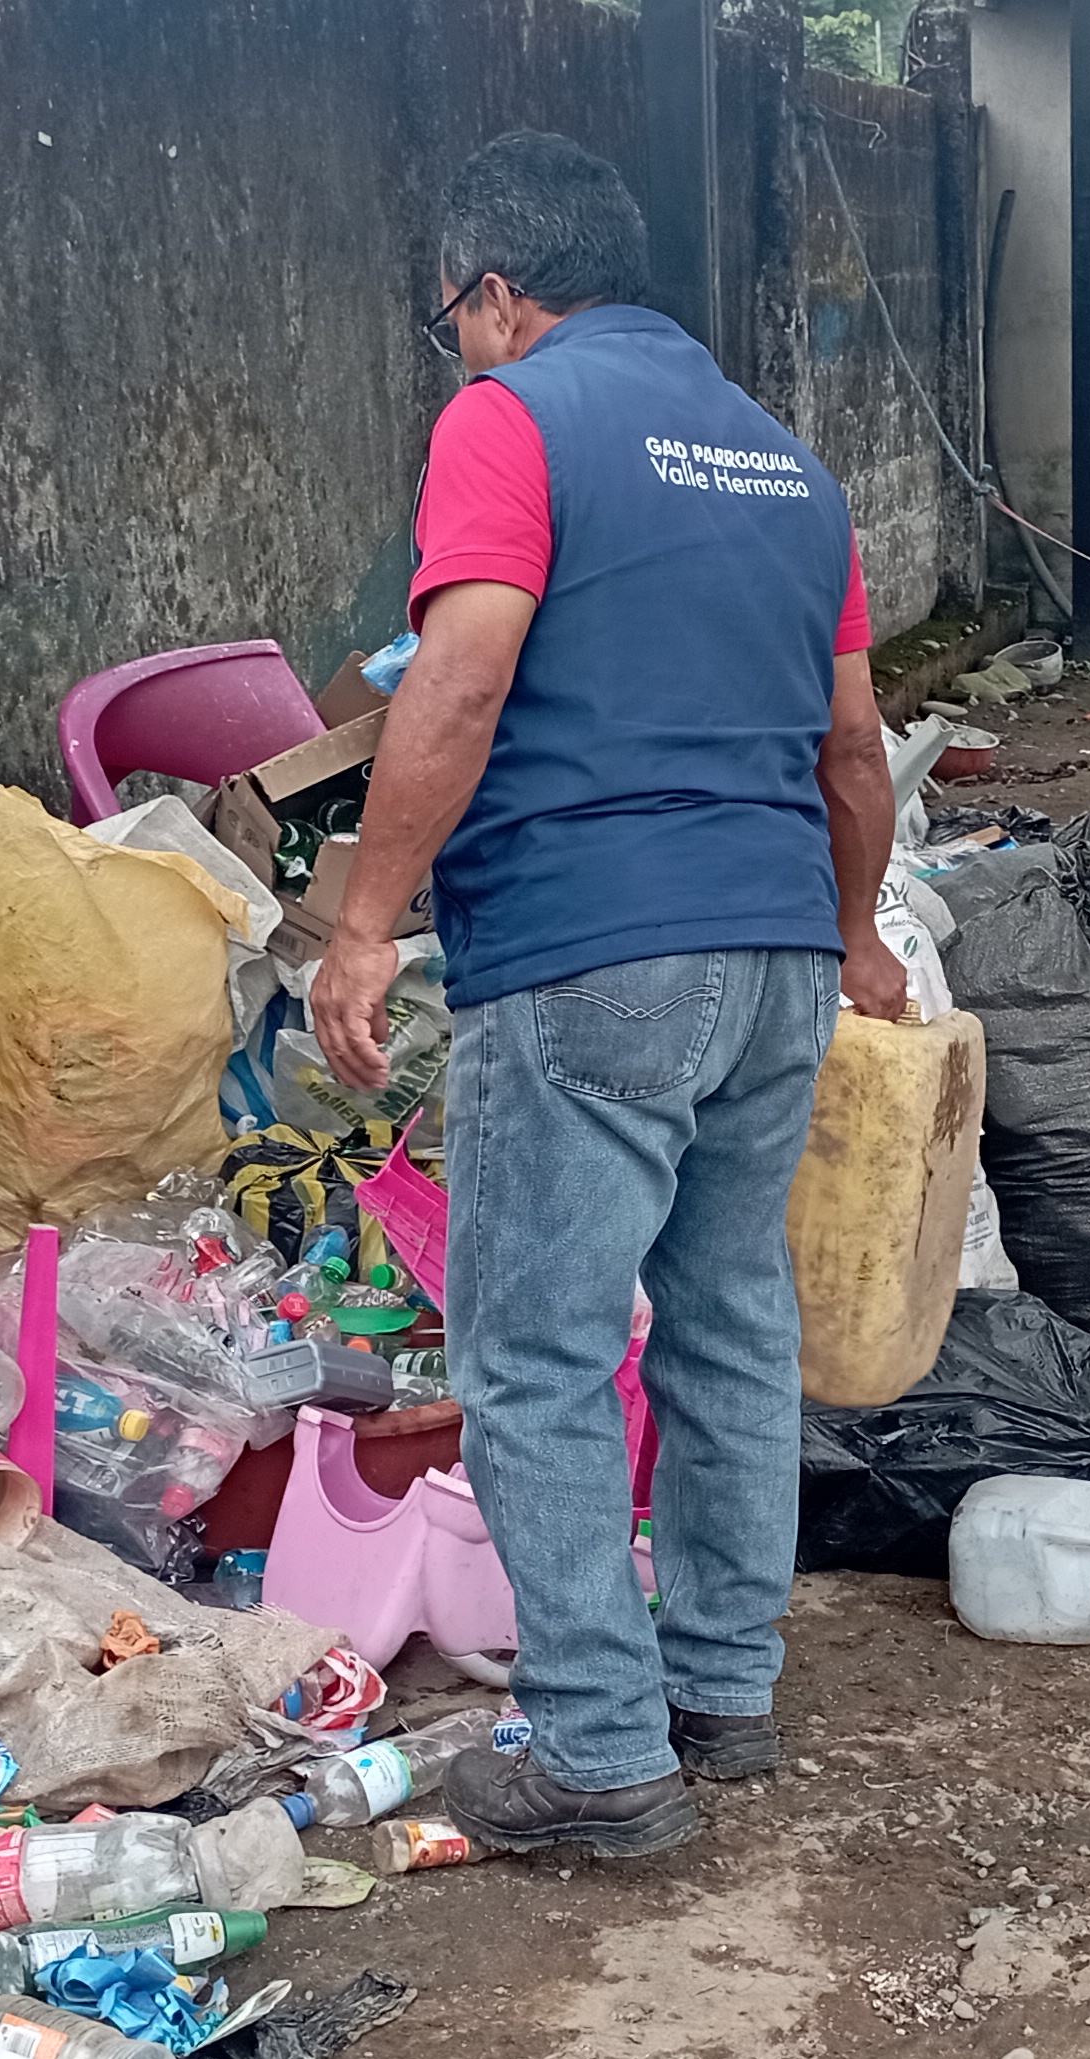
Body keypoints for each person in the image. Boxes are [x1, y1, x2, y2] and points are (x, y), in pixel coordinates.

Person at [319, 130, 911, 1857]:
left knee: (537, 1353)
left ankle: (596, 1754)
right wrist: (858, 933)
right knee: (730, 1324)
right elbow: (854, 746)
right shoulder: (791, 469)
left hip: (592, 950)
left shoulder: (510, 421)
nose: (459, 348)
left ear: (498, 293)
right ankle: (721, 1689)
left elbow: (458, 682)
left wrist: (364, 925)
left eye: (454, 317)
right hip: (779, 954)